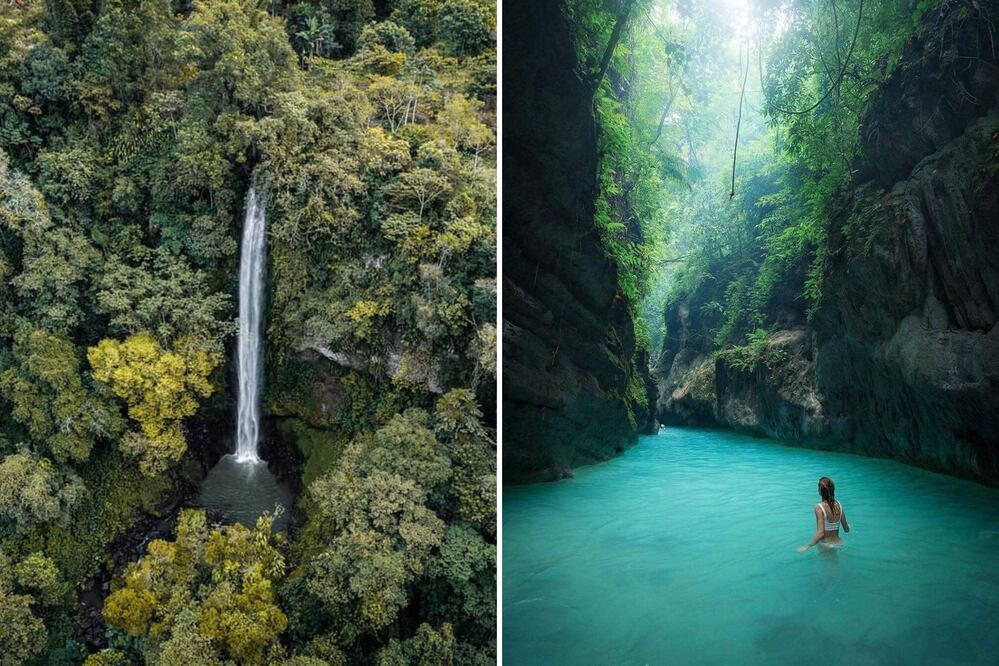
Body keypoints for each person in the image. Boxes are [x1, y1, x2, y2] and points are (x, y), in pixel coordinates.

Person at [796, 476, 850, 552]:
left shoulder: (819, 508)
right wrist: (849, 526)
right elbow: (846, 529)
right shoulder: (839, 505)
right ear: (833, 490)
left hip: (826, 545)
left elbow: (821, 533)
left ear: (820, 491)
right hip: (839, 543)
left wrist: (807, 546)